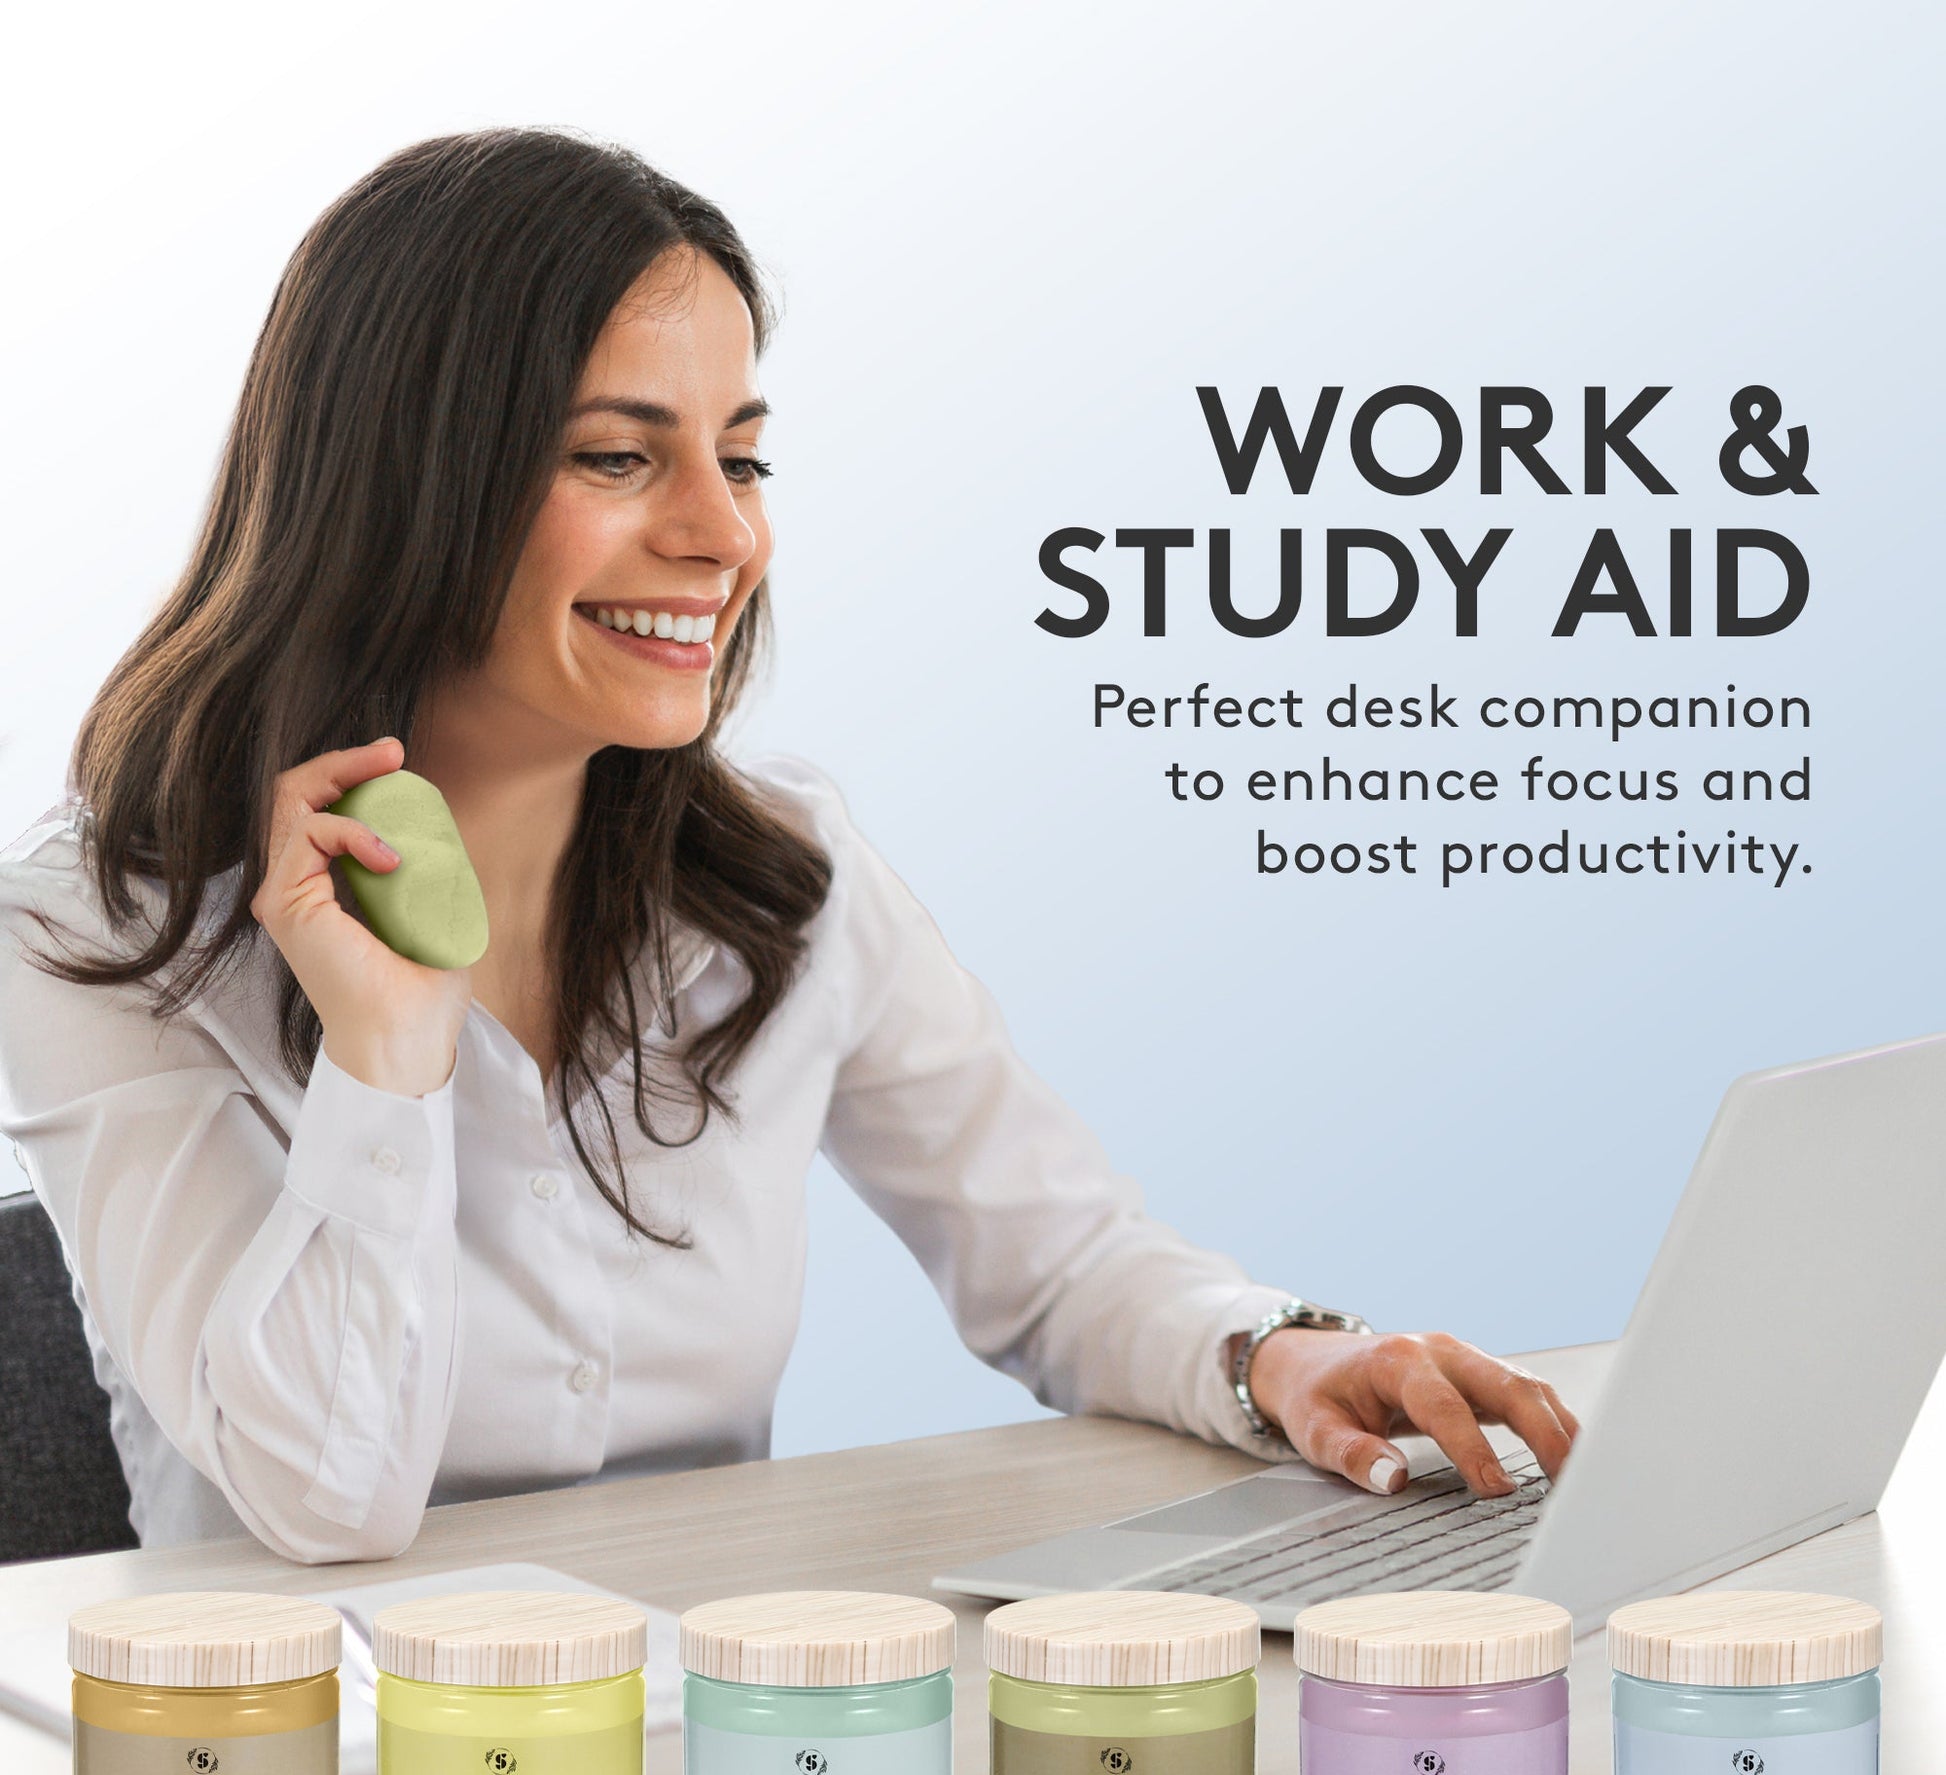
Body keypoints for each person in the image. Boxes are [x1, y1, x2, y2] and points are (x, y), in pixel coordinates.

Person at [0, 130, 1577, 1563]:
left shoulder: (783, 876)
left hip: (717, 1740)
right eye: (619, 457)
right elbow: (323, 1499)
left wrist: (1274, 1356)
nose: (725, 532)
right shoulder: (97, 931)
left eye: (739, 456)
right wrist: (389, 1052)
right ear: (411, 481)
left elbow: (1056, 1261)